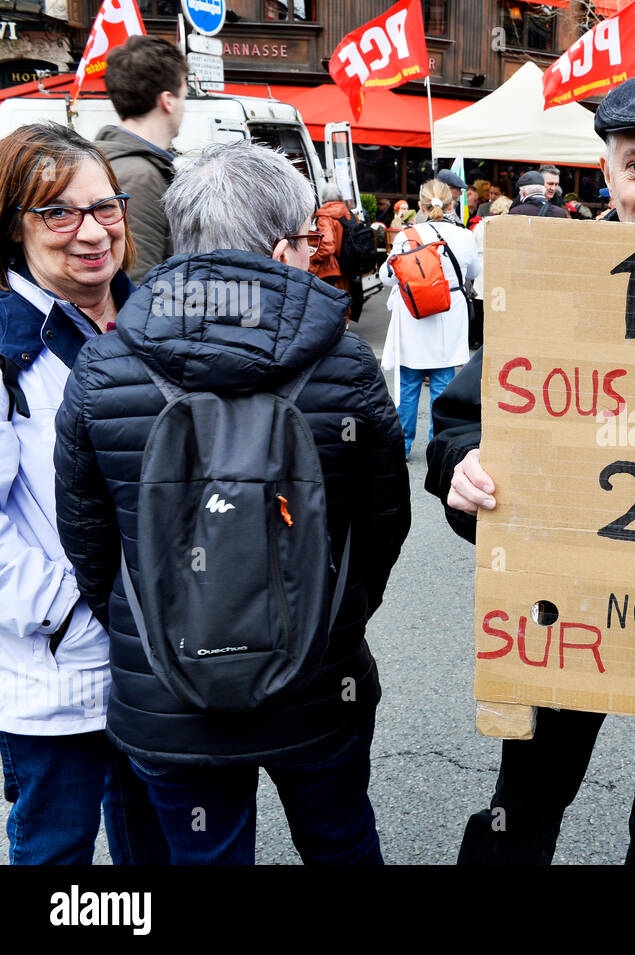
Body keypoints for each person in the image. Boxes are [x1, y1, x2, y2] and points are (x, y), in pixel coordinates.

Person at [53, 140, 410, 865]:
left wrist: (146, 616)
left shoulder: (105, 365)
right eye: (310, 242)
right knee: (340, 839)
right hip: (318, 676)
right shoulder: (344, 364)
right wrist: (336, 613)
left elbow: (89, 539)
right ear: (283, 249)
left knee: (205, 856)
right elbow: (382, 523)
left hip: (168, 687)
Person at [429, 73, 635, 865]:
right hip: (563, 606)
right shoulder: (553, 280)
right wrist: (461, 464)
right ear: (607, 172)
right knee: (525, 803)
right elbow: (464, 416)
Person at [0, 123, 169, 865]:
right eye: (58, 213)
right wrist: (71, 606)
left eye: (106, 207)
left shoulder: (158, 321)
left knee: (156, 852)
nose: (93, 232)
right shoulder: (8, 349)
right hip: (55, 671)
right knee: (56, 857)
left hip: (161, 665)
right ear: (15, 225)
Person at [381, 178, 482, 459]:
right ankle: (438, 445)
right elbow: (474, 270)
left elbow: (386, 277)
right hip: (449, 311)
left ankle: (401, 446)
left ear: (420, 206)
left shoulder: (406, 236)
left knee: (409, 383)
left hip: (414, 313)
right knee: (443, 383)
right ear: (451, 204)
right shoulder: (464, 236)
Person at [95, 35, 187, 283]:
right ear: (168, 101)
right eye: (184, 95)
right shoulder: (140, 176)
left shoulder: (121, 161)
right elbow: (136, 285)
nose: (184, 106)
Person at [309, 182, 354, 317]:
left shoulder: (324, 216)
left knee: (327, 305)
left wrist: (313, 258)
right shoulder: (347, 213)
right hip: (347, 263)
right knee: (343, 301)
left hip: (331, 268)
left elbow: (327, 246)